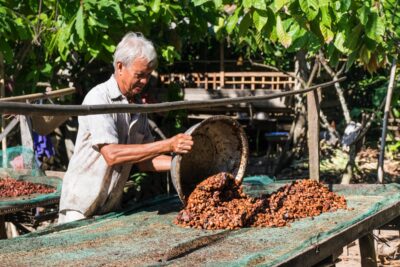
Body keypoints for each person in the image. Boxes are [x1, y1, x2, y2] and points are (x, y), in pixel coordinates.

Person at [58, 32, 194, 224]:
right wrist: (168, 145)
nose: (145, 81)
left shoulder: (137, 107)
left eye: (147, 76)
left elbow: (146, 162)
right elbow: (112, 155)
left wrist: (186, 166)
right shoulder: (99, 98)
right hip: (79, 207)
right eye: (139, 75)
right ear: (120, 67)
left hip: (110, 208)